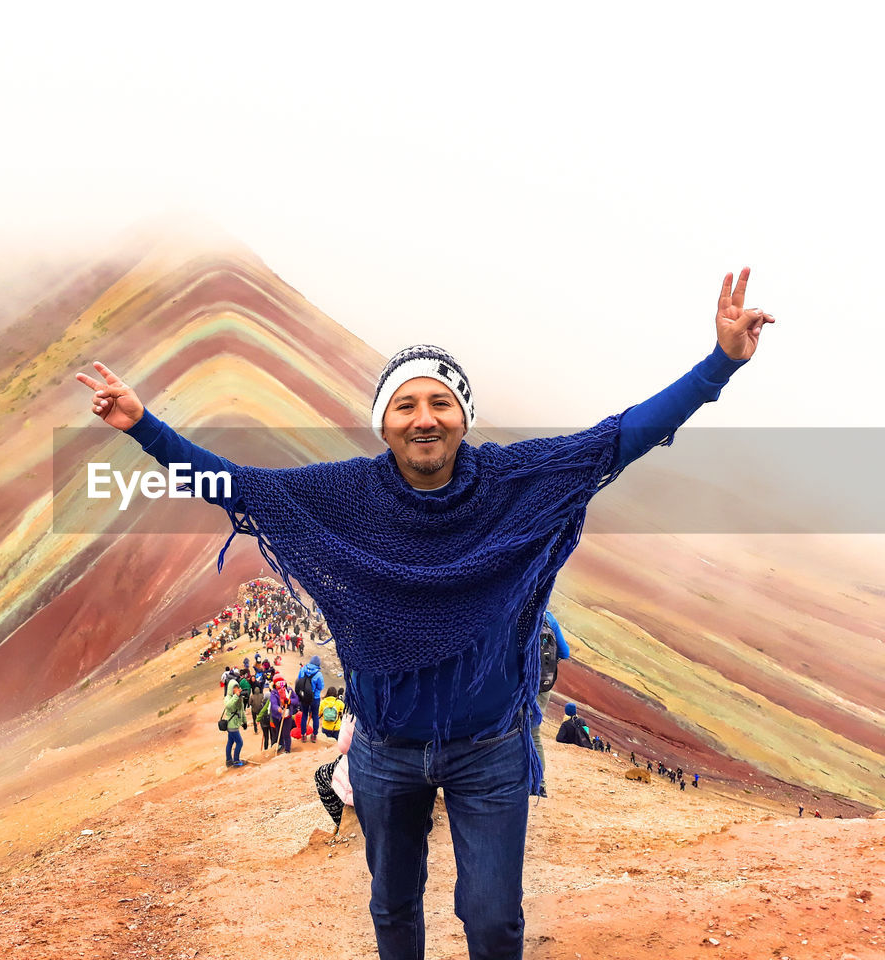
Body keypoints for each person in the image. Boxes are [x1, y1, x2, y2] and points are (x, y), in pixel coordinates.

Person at [76, 268, 773, 960]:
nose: (424, 418)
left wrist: (719, 365)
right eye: (405, 405)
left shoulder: (515, 482)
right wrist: (145, 428)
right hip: (384, 750)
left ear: (463, 415)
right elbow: (238, 487)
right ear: (384, 420)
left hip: (491, 748)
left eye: (440, 402)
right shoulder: (343, 495)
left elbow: (622, 438)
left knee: (494, 921)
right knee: (392, 907)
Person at [529, 609, 569, 797]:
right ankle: (539, 784)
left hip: (517, 683)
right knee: (534, 733)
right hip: (542, 685)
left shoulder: (516, 607)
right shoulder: (548, 616)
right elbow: (565, 652)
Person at [295, 654, 327, 742]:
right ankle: (314, 735)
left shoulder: (303, 669)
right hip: (315, 698)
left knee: (304, 715)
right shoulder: (318, 674)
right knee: (315, 716)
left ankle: (303, 735)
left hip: (304, 696)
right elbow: (321, 687)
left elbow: (299, 680)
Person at [222, 679, 247, 767]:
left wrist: (244, 721)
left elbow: (241, 710)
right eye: (234, 688)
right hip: (231, 725)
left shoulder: (238, 697)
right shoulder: (228, 698)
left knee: (230, 742)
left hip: (236, 723)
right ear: (230, 689)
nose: (236, 689)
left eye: (237, 687)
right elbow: (229, 706)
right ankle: (236, 761)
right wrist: (236, 696)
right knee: (240, 742)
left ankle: (229, 761)